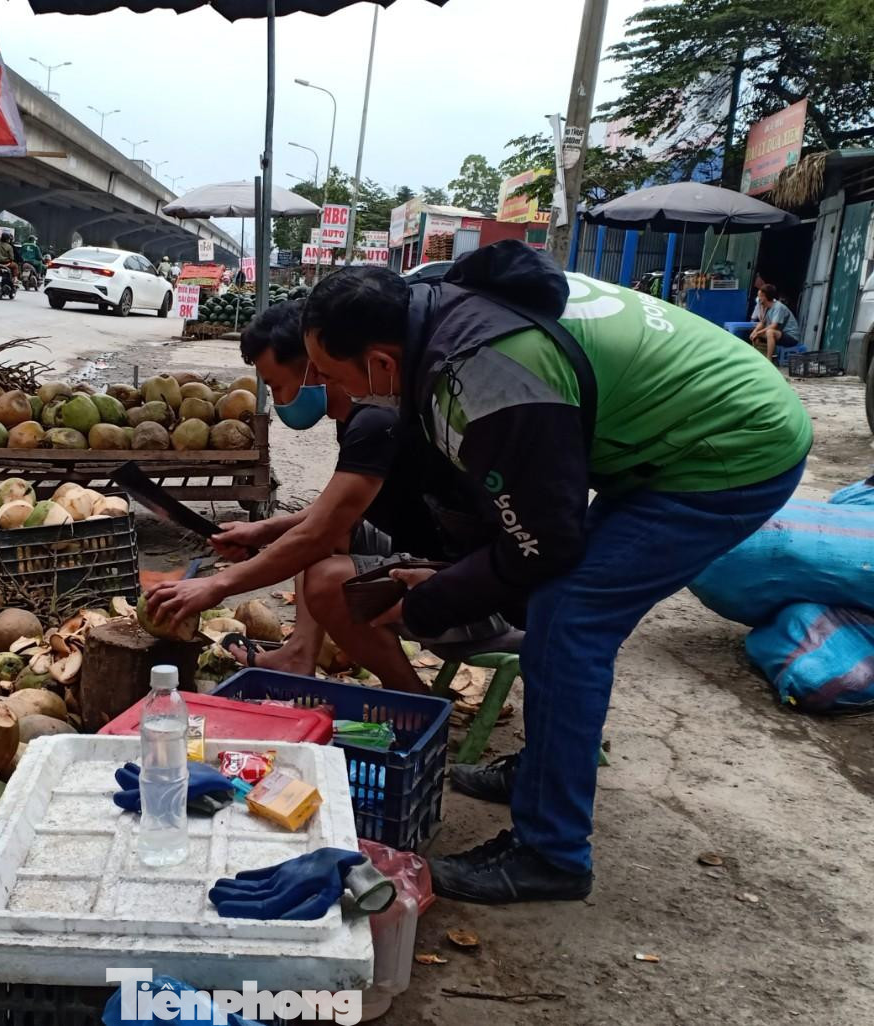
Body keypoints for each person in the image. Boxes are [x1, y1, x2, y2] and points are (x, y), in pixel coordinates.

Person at [301, 242, 812, 904]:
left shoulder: (487, 376)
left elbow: (543, 545)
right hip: (676, 436)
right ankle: (539, 774)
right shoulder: (440, 315)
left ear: (378, 361)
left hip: (734, 446)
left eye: (329, 377)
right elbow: (521, 517)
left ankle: (550, 853)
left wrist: (433, 602)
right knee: (554, 605)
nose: (333, 397)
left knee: (569, 618)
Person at [146, 301, 506, 693]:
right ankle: (299, 654)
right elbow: (336, 515)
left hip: (476, 588)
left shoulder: (375, 420)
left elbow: (320, 529)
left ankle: (410, 696)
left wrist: (216, 585)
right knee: (327, 539)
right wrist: (260, 531)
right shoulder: (360, 416)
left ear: (314, 366)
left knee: (325, 581)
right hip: (437, 553)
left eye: (281, 385)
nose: (280, 400)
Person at [750, 284, 801, 362]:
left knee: (770, 332)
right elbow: (762, 323)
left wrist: (758, 332)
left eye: (759, 296)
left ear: (765, 297)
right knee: (756, 334)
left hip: (791, 337)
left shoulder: (778, 307)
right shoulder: (766, 308)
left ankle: (769, 359)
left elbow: (774, 326)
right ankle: (758, 357)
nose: (758, 299)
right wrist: (755, 332)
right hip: (779, 335)